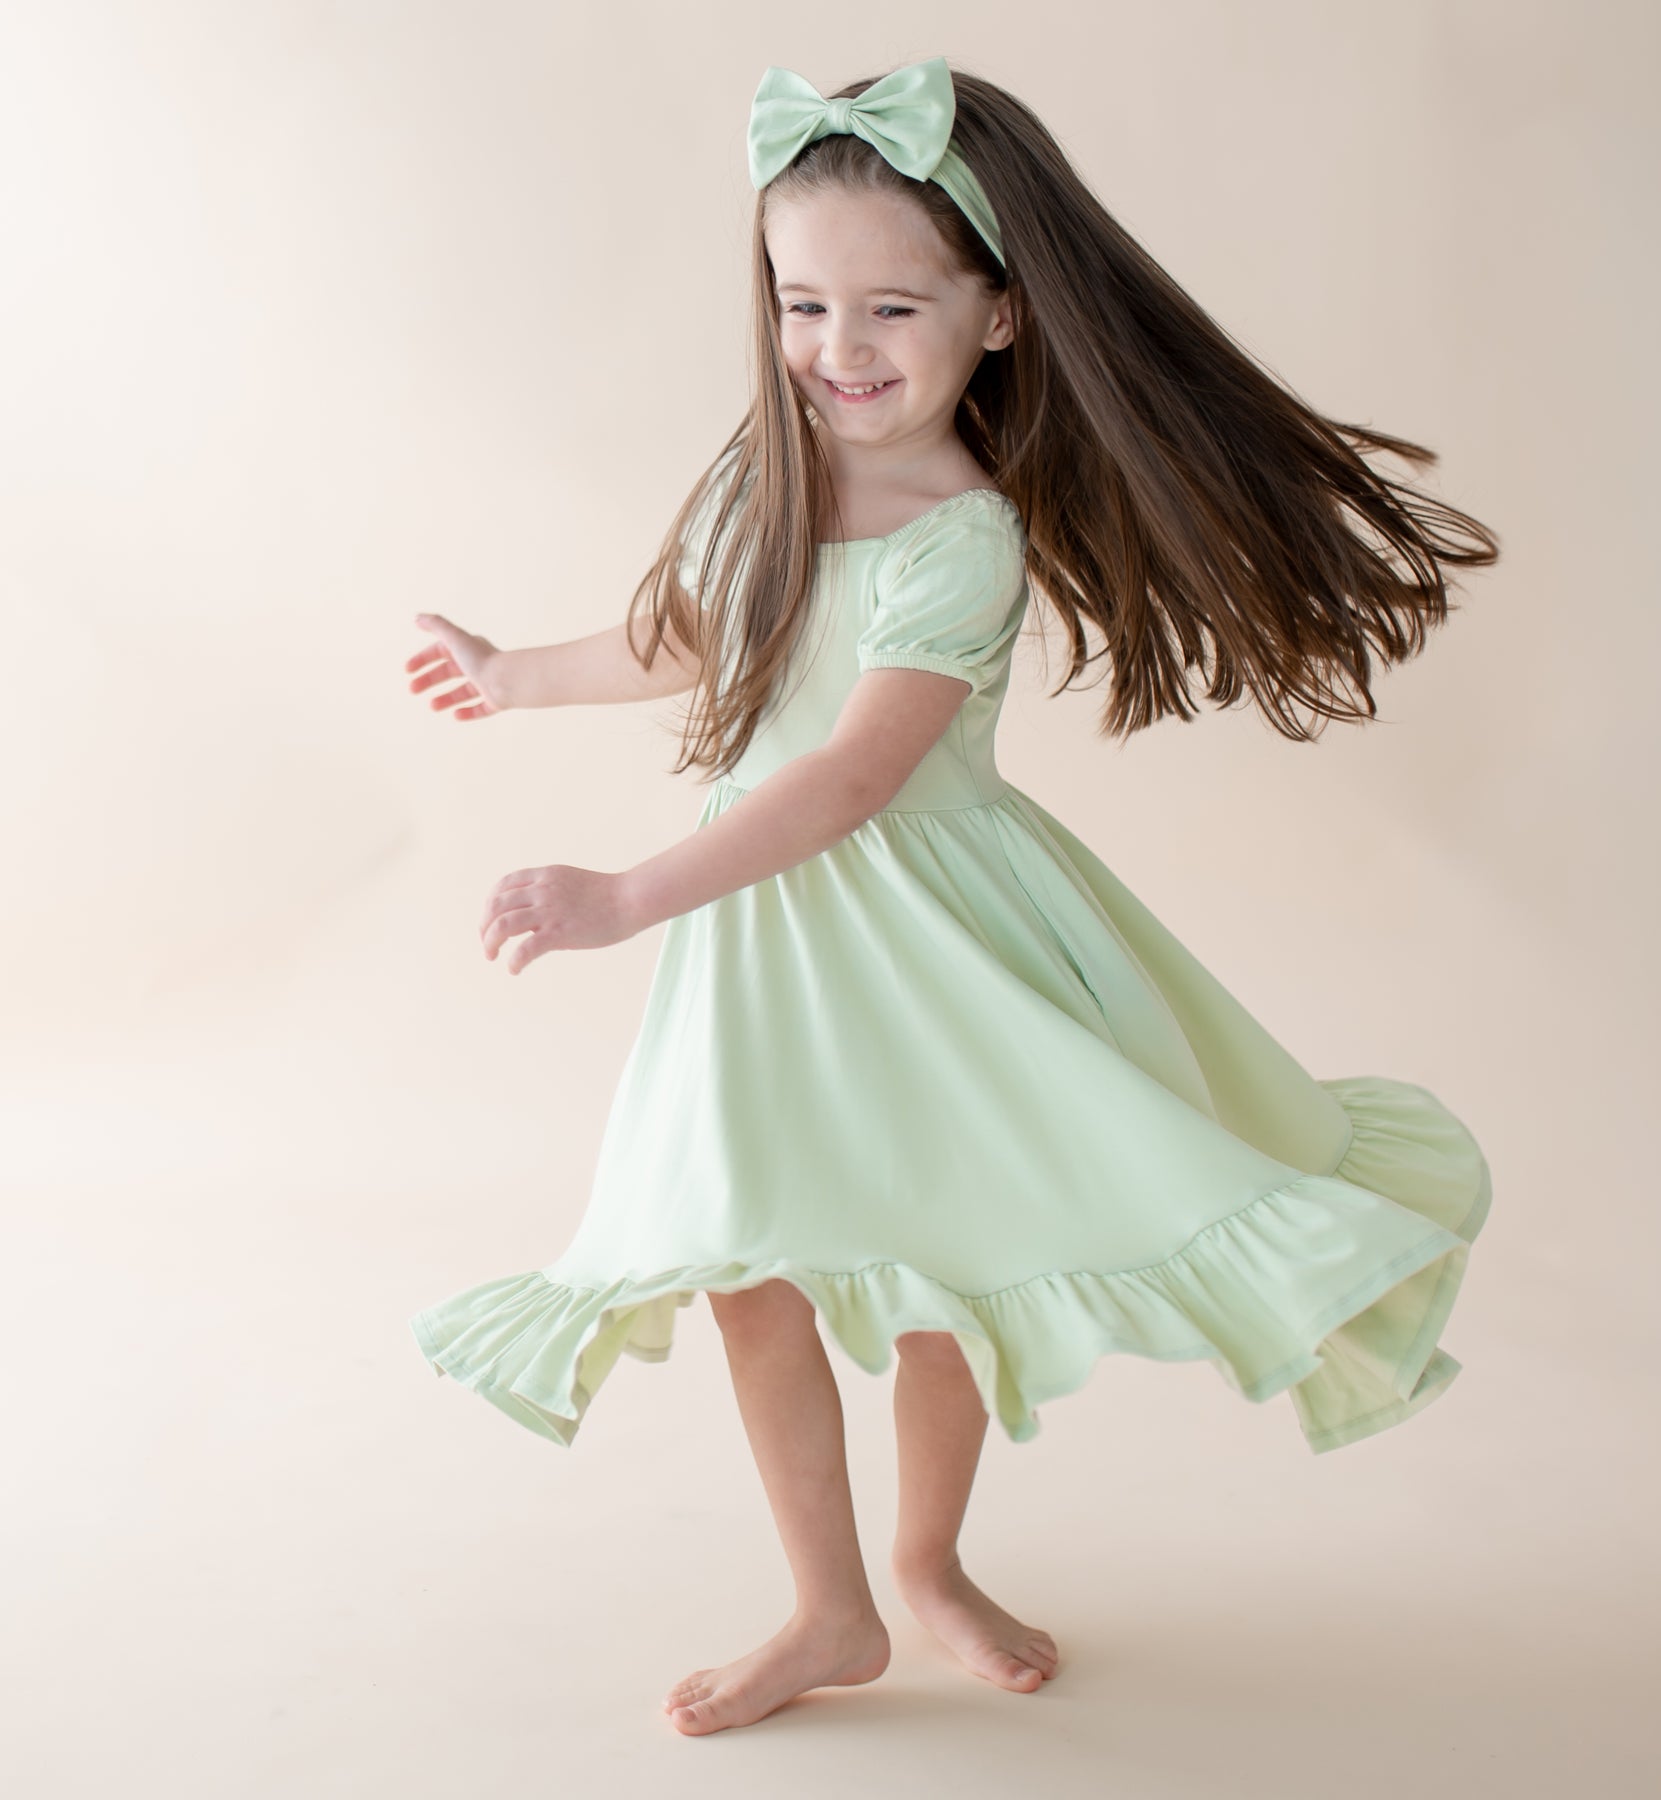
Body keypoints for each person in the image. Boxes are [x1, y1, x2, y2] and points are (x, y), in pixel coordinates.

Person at [403, 55, 1499, 1737]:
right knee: (744, 1262)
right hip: (770, 948)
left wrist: (626, 896)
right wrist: (515, 673)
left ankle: (924, 1562)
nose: (839, 348)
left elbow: (852, 777)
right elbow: (693, 630)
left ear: (999, 317)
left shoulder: (963, 538)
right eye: (804, 304)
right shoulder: (763, 478)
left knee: (945, 1262)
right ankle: (828, 1607)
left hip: (925, 936)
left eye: (892, 308)